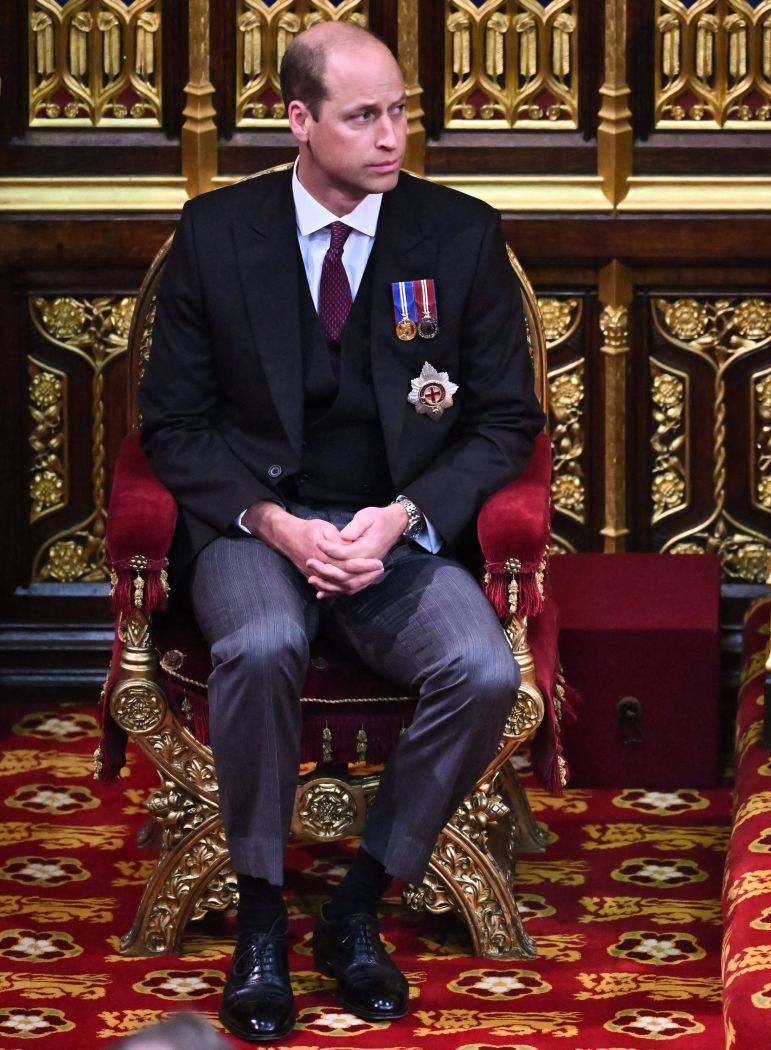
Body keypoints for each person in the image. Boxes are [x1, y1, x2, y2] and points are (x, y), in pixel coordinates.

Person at [138, 21, 543, 1044]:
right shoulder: (218, 235)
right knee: (265, 642)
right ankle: (263, 921)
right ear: (300, 121)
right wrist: (273, 523)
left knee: (483, 672)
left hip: (392, 529)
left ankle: (358, 904)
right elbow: (171, 427)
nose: (390, 135)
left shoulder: (457, 235)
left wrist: (404, 517)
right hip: (254, 529)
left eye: (399, 111)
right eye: (363, 116)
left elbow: (506, 422)